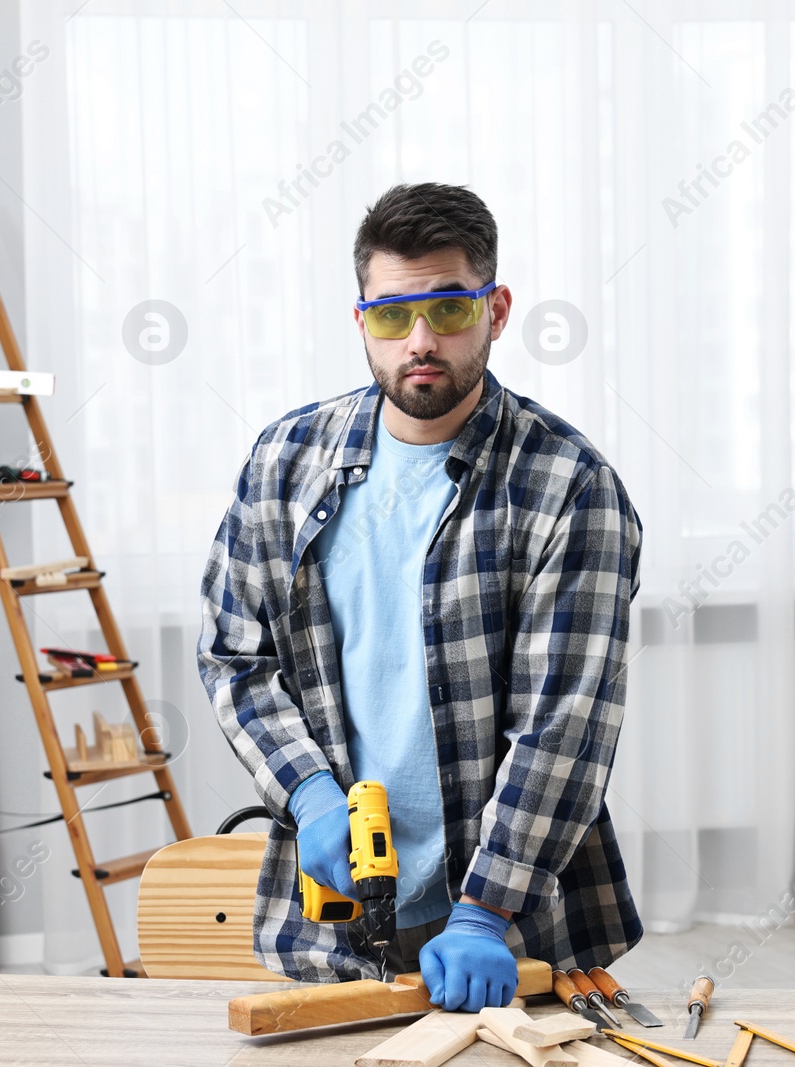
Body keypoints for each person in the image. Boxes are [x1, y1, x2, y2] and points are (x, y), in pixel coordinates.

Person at [198, 182, 643, 1012]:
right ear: (361, 318)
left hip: (515, 937)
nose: (422, 340)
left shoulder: (569, 487)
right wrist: (311, 793)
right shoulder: (285, 460)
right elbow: (235, 654)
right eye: (393, 316)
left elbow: (565, 725)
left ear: (497, 309)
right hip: (329, 931)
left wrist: (482, 911)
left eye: (448, 308)